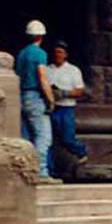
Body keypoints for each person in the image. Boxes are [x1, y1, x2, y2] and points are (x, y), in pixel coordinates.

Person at [15, 19, 54, 179]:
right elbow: (42, 77)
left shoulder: (22, 54)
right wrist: (51, 99)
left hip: (21, 96)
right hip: (35, 97)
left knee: (26, 137)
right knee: (43, 136)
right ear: (41, 36)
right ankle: (40, 171)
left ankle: (24, 170)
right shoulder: (40, 54)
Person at [45, 40, 88, 170]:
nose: (58, 55)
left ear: (65, 54)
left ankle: (81, 152)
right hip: (52, 108)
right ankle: (49, 169)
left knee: (67, 138)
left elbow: (80, 90)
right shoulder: (48, 69)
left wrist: (64, 93)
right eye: (56, 52)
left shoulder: (73, 70)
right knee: (49, 141)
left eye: (60, 52)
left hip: (66, 108)